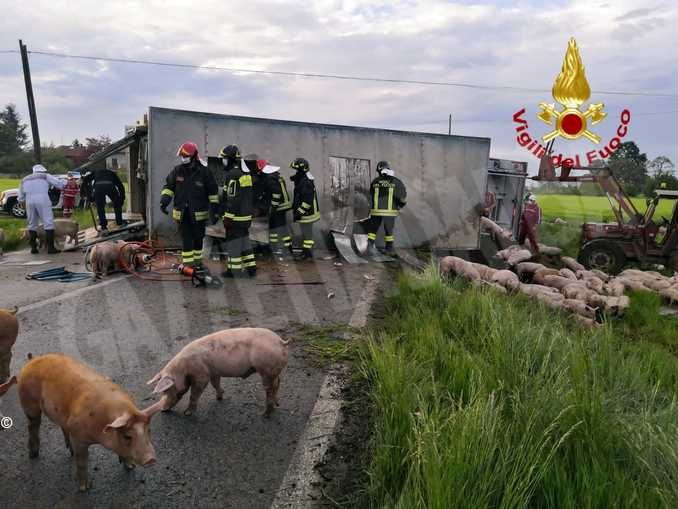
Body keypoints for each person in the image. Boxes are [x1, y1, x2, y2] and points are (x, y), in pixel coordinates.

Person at [160, 142, 219, 268]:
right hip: (182, 214)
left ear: (193, 156)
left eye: (185, 155)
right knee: (186, 239)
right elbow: (168, 187)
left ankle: (197, 263)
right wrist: (164, 201)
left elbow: (213, 192)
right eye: (181, 155)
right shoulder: (177, 171)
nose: (183, 158)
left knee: (198, 239)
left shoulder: (204, 172)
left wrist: (215, 210)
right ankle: (188, 265)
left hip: (199, 214)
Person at [220, 145, 256, 278]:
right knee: (245, 243)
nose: (222, 161)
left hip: (235, 219)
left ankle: (233, 271)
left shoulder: (233, 175)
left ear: (230, 159)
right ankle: (251, 268)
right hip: (245, 218)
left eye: (224, 158)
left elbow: (232, 199)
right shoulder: (244, 173)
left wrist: (228, 217)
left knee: (234, 245)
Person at [18, 164, 65, 254]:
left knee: (32, 223)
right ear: (43, 170)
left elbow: (20, 195)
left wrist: (22, 201)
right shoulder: (45, 176)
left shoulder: (24, 179)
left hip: (29, 200)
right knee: (48, 222)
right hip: (43, 198)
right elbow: (59, 184)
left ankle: (33, 248)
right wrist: (66, 182)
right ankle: (51, 248)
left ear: (33, 171)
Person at [366, 160, 407, 256]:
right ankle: (389, 249)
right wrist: (400, 206)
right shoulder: (396, 181)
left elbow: (370, 195)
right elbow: (402, 197)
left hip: (376, 211)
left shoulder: (375, 181)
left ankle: (369, 248)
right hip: (390, 212)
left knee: (372, 231)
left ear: (379, 170)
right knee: (389, 232)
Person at [290, 157, 320, 260]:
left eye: (297, 170)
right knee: (306, 233)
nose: (296, 172)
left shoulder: (306, 182)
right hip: (307, 212)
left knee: (307, 234)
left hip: (308, 214)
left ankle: (308, 254)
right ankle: (306, 252)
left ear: (301, 170)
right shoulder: (303, 179)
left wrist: (299, 212)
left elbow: (307, 201)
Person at [81, 165, 126, 233]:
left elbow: (85, 181)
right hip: (110, 186)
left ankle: (104, 227)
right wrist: (122, 199)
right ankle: (119, 223)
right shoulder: (112, 173)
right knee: (117, 204)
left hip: (98, 187)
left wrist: (88, 196)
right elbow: (120, 186)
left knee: (100, 207)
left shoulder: (95, 172)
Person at [263, 161, 293, 255]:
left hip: (279, 208)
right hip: (282, 206)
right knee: (273, 227)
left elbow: (276, 194)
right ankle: (273, 246)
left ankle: (288, 248)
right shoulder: (278, 177)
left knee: (281, 228)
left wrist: (273, 208)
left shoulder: (271, 179)